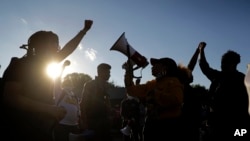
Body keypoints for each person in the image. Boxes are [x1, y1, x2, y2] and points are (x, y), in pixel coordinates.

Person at [1, 19, 93, 141]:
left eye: (57, 44)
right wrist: (49, 109)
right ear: (40, 46)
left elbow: (68, 49)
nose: (57, 48)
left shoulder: (46, 65)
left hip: (43, 129)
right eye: (53, 44)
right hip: (19, 128)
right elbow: (11, 97)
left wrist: (84, 31)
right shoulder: (19, 64)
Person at [198, 42, 250, 141]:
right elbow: (204, 66)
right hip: (216, 124)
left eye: (225, 63)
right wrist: (201, 50)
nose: (222, 65)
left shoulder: (243, 80)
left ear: (234, 64)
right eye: (222, 63)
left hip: (236, 124)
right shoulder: (218, 76)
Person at [124, 57, 184, 141]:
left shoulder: (174, 81)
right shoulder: (152, 83)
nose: (152, 67)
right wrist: (128, 71)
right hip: (151, 124)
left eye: (156, 64)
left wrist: (156, 93)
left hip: (169, 125)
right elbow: (131, 90)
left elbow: (177, 100)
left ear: (165, 67)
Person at [80, 63, 114, 141]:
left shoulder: (106, 85)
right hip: (93, 122)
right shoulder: (90, 85)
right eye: (108, 72)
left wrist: (110, 115)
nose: (109, 75)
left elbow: (107, 102)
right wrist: (84, 122)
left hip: (105, 122)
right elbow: (83, 103)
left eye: (110, 73)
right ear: (101, 72)